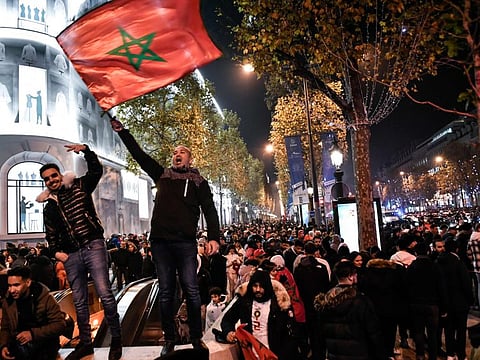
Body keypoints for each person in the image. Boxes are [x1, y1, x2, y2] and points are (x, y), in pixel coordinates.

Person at [110, 118, 220, 357]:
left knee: (191, 290)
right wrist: (123, 133)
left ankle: (195, 337)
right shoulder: (162, 175)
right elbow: (139, 155)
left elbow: (210, 210)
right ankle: (169, 338)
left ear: (190, 159)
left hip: (185, 243)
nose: (177, 154)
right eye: (174, 152)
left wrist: (214, 237)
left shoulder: (199, 181)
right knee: (167, 291)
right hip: (160, 243)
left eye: (182, 152)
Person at [36, 144, 122, 360]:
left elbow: (96, 170)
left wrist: (85, 149)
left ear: (59, 174)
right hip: (71, 255)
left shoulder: (79, 185)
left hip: (93, 245)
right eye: (47, 179)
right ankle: (86, 343)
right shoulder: (49, 207)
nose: (51, 180)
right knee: (80, 301)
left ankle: (116, 340)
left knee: (105, 293)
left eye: (53, 176)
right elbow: (51, 235)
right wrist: (58, 254)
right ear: (44, 182)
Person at [314, 260, 385, 360]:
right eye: (355, 274)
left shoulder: (325, 302)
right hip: (359, 354)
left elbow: (320, 335)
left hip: (334, 354)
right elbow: (373, 332)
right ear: (350, 276)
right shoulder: (360, 301)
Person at [220, 269, 296, 360]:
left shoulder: (279, 305)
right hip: (250, 354)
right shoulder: (244, 302)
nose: (258, 290)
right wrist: (228, 332)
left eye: (261, 286)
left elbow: (289, 335)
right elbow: (227, 320)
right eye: (255, 286)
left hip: (272, 354)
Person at [0, 266, 67, 360]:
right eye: (9, 285)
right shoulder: (8, 301)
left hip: (44, 345)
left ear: (28, 282)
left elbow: (60, 325)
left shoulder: (44, 298)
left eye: (16, 285)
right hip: (19, 345)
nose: (11, 290)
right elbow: (5, 327)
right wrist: (3, 346)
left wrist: (32, 334)